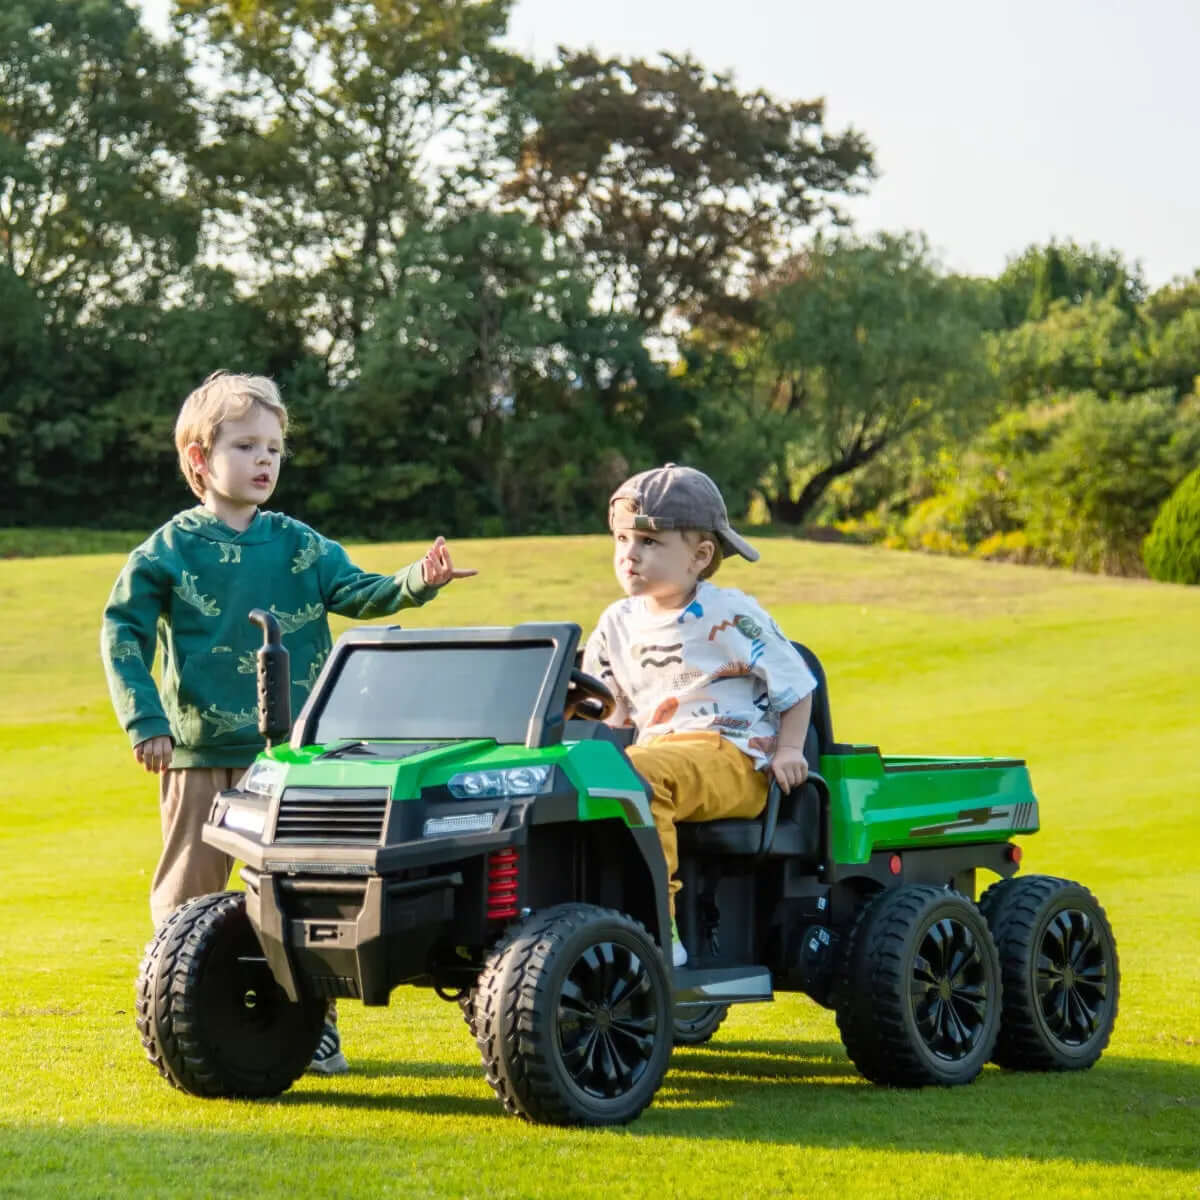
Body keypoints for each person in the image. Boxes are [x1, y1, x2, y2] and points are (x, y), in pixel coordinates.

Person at [101, 370, 476, 1075]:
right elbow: (122, 634)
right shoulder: (167, 552)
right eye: (246, 446)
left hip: (295, 759)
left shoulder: (299, 544)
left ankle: (312, 1025)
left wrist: (417, 581)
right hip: (198, 754)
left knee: (301, 890)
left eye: (274, 448)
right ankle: (184, 1014)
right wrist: (144, 719)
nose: (265, 460)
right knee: (189, 897)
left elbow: (360, 592)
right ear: (198, 460)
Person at [581, 464, 816, 968]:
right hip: (656, 754)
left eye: (648, 542)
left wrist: (791, 749)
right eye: (621, 539)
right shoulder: (614, 622)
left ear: (699, 556)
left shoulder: (729, 613)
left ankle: (657, 934)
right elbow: (612, 709)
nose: (629, 554)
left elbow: (796, 686)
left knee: (638, 774)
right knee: (594, 774)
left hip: (733, 756)